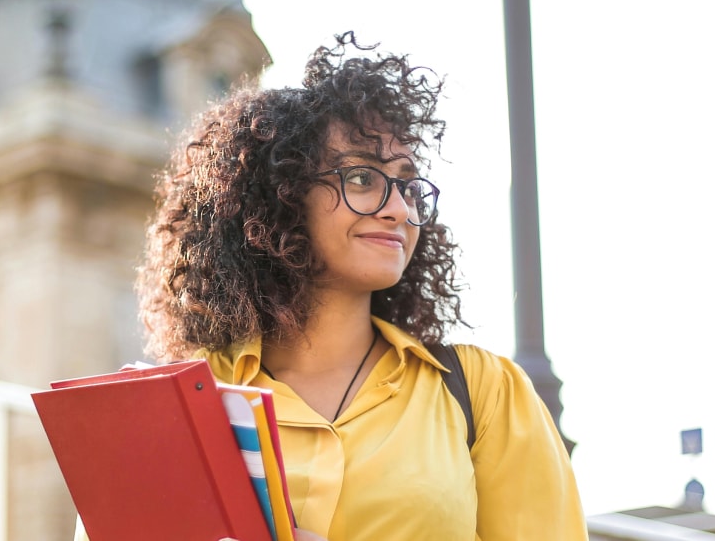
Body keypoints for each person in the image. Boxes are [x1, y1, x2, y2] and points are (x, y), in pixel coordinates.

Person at [82, 33, 587, 541]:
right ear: (281, 198)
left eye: (408, 185)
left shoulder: (482, 391)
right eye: (363, 179)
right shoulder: (184, 403)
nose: (399, 209)